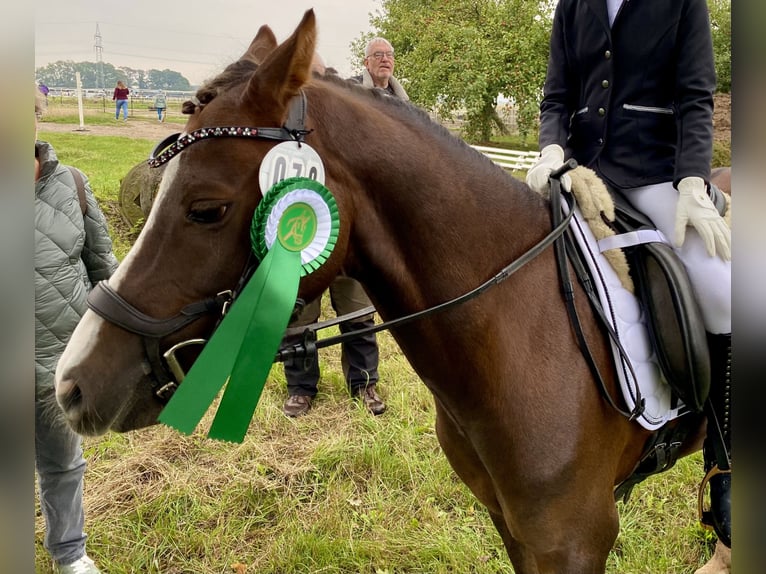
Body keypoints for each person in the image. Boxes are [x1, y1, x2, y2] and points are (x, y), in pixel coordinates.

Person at [526, 0, 731, 550]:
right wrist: (552, 146)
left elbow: (694, 98)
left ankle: (732, 494)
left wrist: (691, 179)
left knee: (726, 298)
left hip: (653, 177)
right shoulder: (574, 4)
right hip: (580, 175)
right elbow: (558, 95)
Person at [279, 50, 406, 418]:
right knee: (300, 317)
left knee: (358, 313)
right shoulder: (284, 118)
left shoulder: (345, 115)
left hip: (349, 233)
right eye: (303, 75)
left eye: (315, 74)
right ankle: (301, 390)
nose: (309, 81)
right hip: (301, 233)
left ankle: (364, 384)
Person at [35, 88, 119, 573]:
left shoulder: (75, 185)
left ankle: (69, 554)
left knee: (63, 465)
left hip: (57, 364)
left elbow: (103, 268)